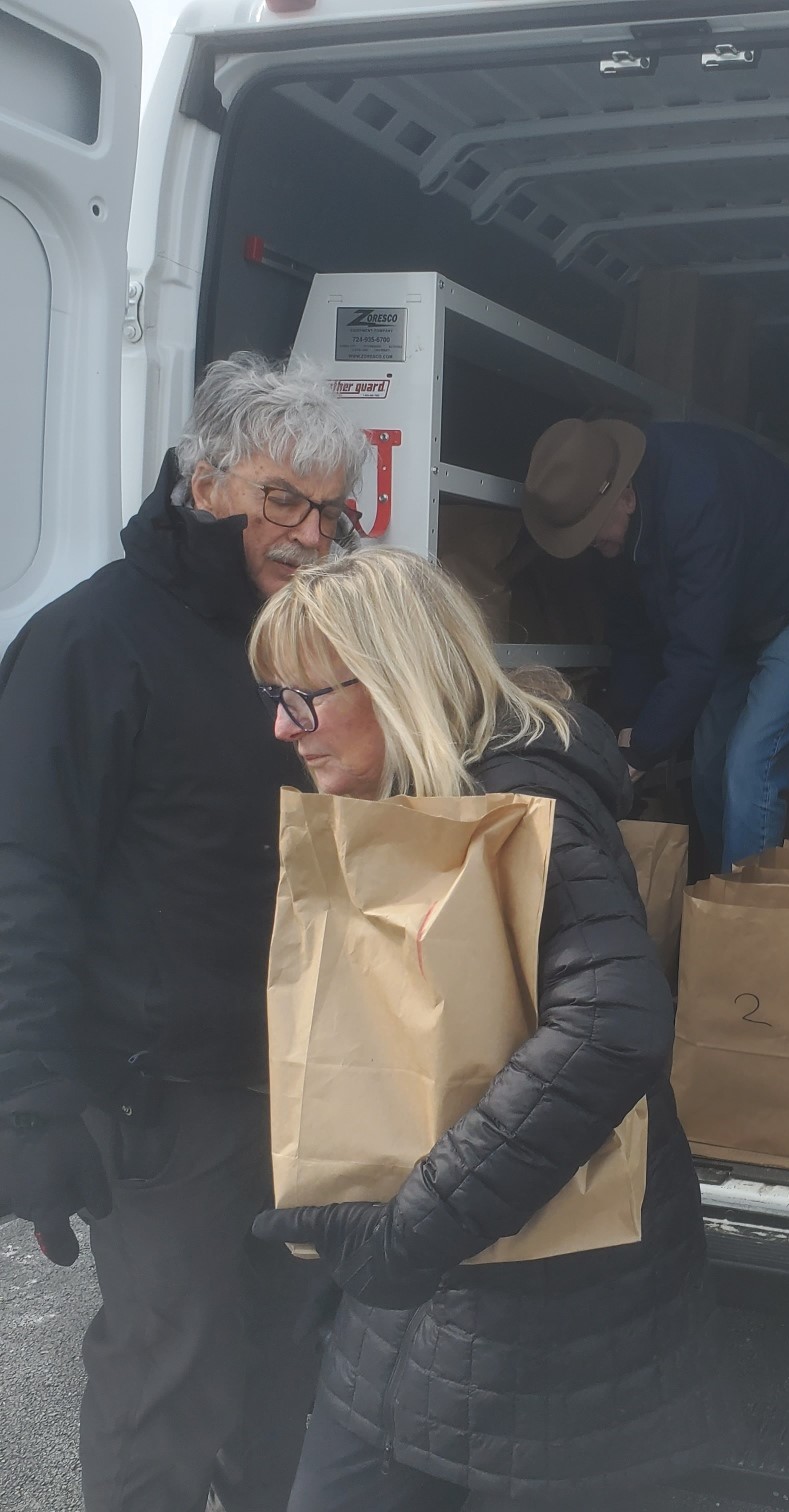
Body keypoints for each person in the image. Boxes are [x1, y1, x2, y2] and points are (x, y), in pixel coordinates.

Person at [245, 547, 719, 1511]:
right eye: (275, 696)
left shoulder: (523, 803)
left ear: (394, 678)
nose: (283, 727)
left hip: (546, 1320)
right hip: (437, 1297)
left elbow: (614, 1027)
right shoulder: (421, 802)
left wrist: (409, 1231)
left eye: (304, 698)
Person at [0, 352, 369, 1512]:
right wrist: (31, 1101)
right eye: (282, 501)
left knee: (290, 1365)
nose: (310, 535)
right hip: (164, 1099)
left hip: (302, 1082)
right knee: (171, 1376)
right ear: (204, 484)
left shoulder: (306, 636)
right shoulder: (91, 641)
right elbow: (25, 872)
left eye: (329, 509)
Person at [521, 418, 789, 871]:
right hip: (735, 619)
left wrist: (640, 753)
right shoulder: (613, 540)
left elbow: (696, 655)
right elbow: (633, 638)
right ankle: (719, 887)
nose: (589, 543)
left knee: (750, 762)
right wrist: (622, 728)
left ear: (625, 496)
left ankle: (745, 921)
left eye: (592, 530)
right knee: (708, 767)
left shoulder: (698, 500)